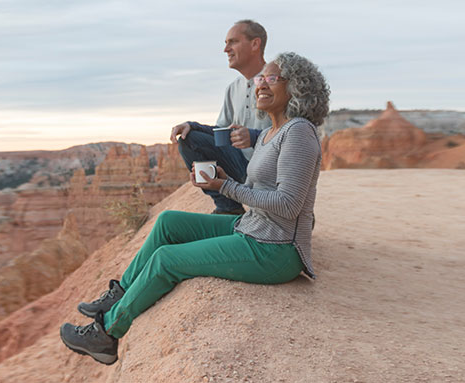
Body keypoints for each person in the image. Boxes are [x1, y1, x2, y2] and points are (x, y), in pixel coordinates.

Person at [60, 51, 330, 365]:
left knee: (166, 260)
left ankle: (106, 334)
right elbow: (263, 189)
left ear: (297, 88)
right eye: (260, 78)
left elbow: (288, 203)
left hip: (276, 248)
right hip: (254, 227)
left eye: (272, 78)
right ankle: (120, 294)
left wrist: (226, 188)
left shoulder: (298, 132)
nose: (261, 85)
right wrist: (225, 178)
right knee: (169, 222)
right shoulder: (272, 132)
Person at [169, 19, 274, 215]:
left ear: (255, 44)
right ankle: (229, 209)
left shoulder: (277, 83)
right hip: (240, 168)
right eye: (226, 43)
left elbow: (295, 134)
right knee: (188, 139)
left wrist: (254, 136)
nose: (226, 49)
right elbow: (221, 134)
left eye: (232, 42)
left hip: (270, 174)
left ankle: (280, 213)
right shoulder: (233, 88)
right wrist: (192, 126)